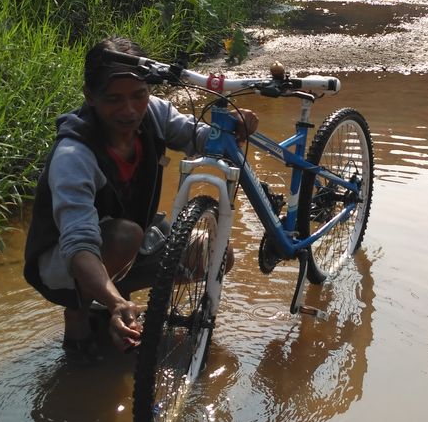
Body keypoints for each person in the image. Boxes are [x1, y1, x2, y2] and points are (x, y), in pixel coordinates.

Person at [23, 36, 258, 359]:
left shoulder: (155, 115)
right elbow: (79, 244)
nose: (129, 110)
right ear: (89, 97)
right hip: (67, 262)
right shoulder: (73, 155)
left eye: (139, 95)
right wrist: (115, 302)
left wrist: (232, 127)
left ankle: (114, 303)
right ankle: (79, 311)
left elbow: (199, 138)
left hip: (129, 243)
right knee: (125, 235)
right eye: (114, 99)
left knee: (216, 253)